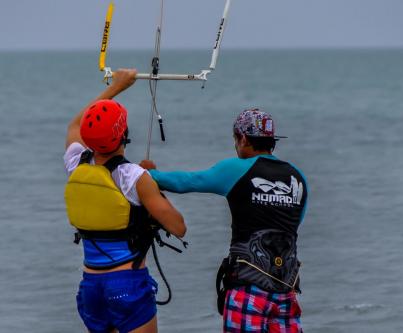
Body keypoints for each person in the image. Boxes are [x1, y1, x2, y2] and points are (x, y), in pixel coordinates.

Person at [140, 108, 308, 333]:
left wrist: (149, 175)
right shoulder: (298, 177)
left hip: (248, 289)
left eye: (236, 139)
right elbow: (293, 225)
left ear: (243, 139)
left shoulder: (236, 169)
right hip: (286, 292)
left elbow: (188, 181)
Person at [64, 69, 186, 333]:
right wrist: (151, 185)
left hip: (91, 287)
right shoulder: (135, 176)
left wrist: (117, 86)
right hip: (126, 284)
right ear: (123, 134)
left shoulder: (75, 163)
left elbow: (75, 125)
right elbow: (178, 227)